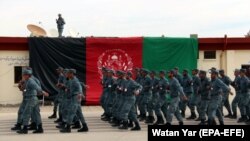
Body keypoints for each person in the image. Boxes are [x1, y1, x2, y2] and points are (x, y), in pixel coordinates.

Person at [17, 69, 48, 134]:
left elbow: (37, 87)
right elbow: (25, 90)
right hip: (32, 98)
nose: (23, 76)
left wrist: (43, 92)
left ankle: (25, 129)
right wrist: (20, 86)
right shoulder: (27, 81)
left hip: (31, 99)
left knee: (26, 112)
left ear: (28, 75)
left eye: (25, 75)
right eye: (23, 75)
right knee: (36, 114)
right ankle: (40, 128)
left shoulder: (31, 81)